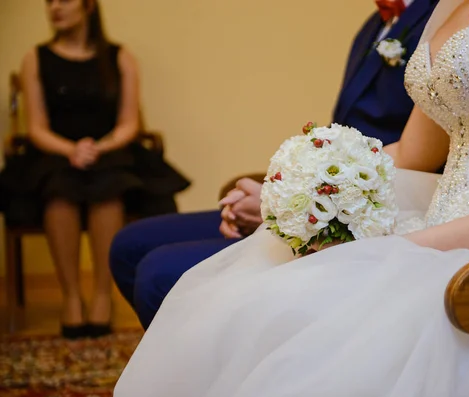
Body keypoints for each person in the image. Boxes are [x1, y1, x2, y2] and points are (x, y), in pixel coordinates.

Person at [114, 0, 469, 397]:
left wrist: (403, 250)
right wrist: (302, 191)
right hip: (435, 224)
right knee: (246, 297)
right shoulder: (450, 6)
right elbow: (411, 152)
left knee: (313, 330)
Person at [110, 0, 440, 330]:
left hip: (373, 208)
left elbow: (414, 156)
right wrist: (281, 185)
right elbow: (343, 134)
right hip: (326, 190)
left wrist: (279, 205)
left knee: (158, 271)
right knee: (130, 246)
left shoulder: (438, 19)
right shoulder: (374, 23)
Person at [0, 0, 190, 339]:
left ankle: (103, 296)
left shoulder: (119, 57)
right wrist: (71, 149)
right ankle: (71, 297)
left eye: (64, 0)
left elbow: (129, 122)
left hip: (109, 149)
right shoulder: (36, 58)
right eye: (49, 2)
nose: (54, 8)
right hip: (55, 152)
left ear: (88, 6)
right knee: (59, 190)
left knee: (110, 188)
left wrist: (98, 147)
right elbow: (37, 127)